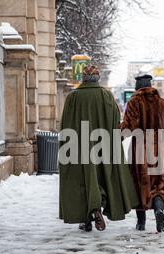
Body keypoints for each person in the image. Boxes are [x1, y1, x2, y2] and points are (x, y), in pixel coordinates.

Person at [59, 65, 140, 232]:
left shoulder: (72, 97)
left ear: (83, 78)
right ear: (98, 79)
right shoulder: (107, 96)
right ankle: (98, 206)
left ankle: (87, 217)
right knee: (103, 176)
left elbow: (65, 124)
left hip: (79, 147)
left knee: (82, 179)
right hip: (104, 146)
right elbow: (115, 121)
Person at [120, 74, 164, 233]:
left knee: (140, 184)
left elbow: (128, 126)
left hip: (140, 148)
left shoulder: (134, 102)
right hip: (159, 148)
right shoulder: (162, 103)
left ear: (137, 87)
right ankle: (158, 210)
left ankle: (141, 223)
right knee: (158, 185)